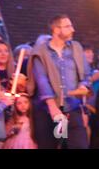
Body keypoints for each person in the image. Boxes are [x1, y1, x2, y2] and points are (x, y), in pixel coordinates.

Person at [27, 14, 91, 149]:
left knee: (80, 145)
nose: (73, 29)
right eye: (68, 26)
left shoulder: (76, 48)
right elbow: (41, 79)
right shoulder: (40, 51)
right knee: (52, 145)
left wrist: (82, 85)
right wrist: (52, 107)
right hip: (49, 111)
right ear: (56, 30)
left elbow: (85, 74)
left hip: (71, 108)